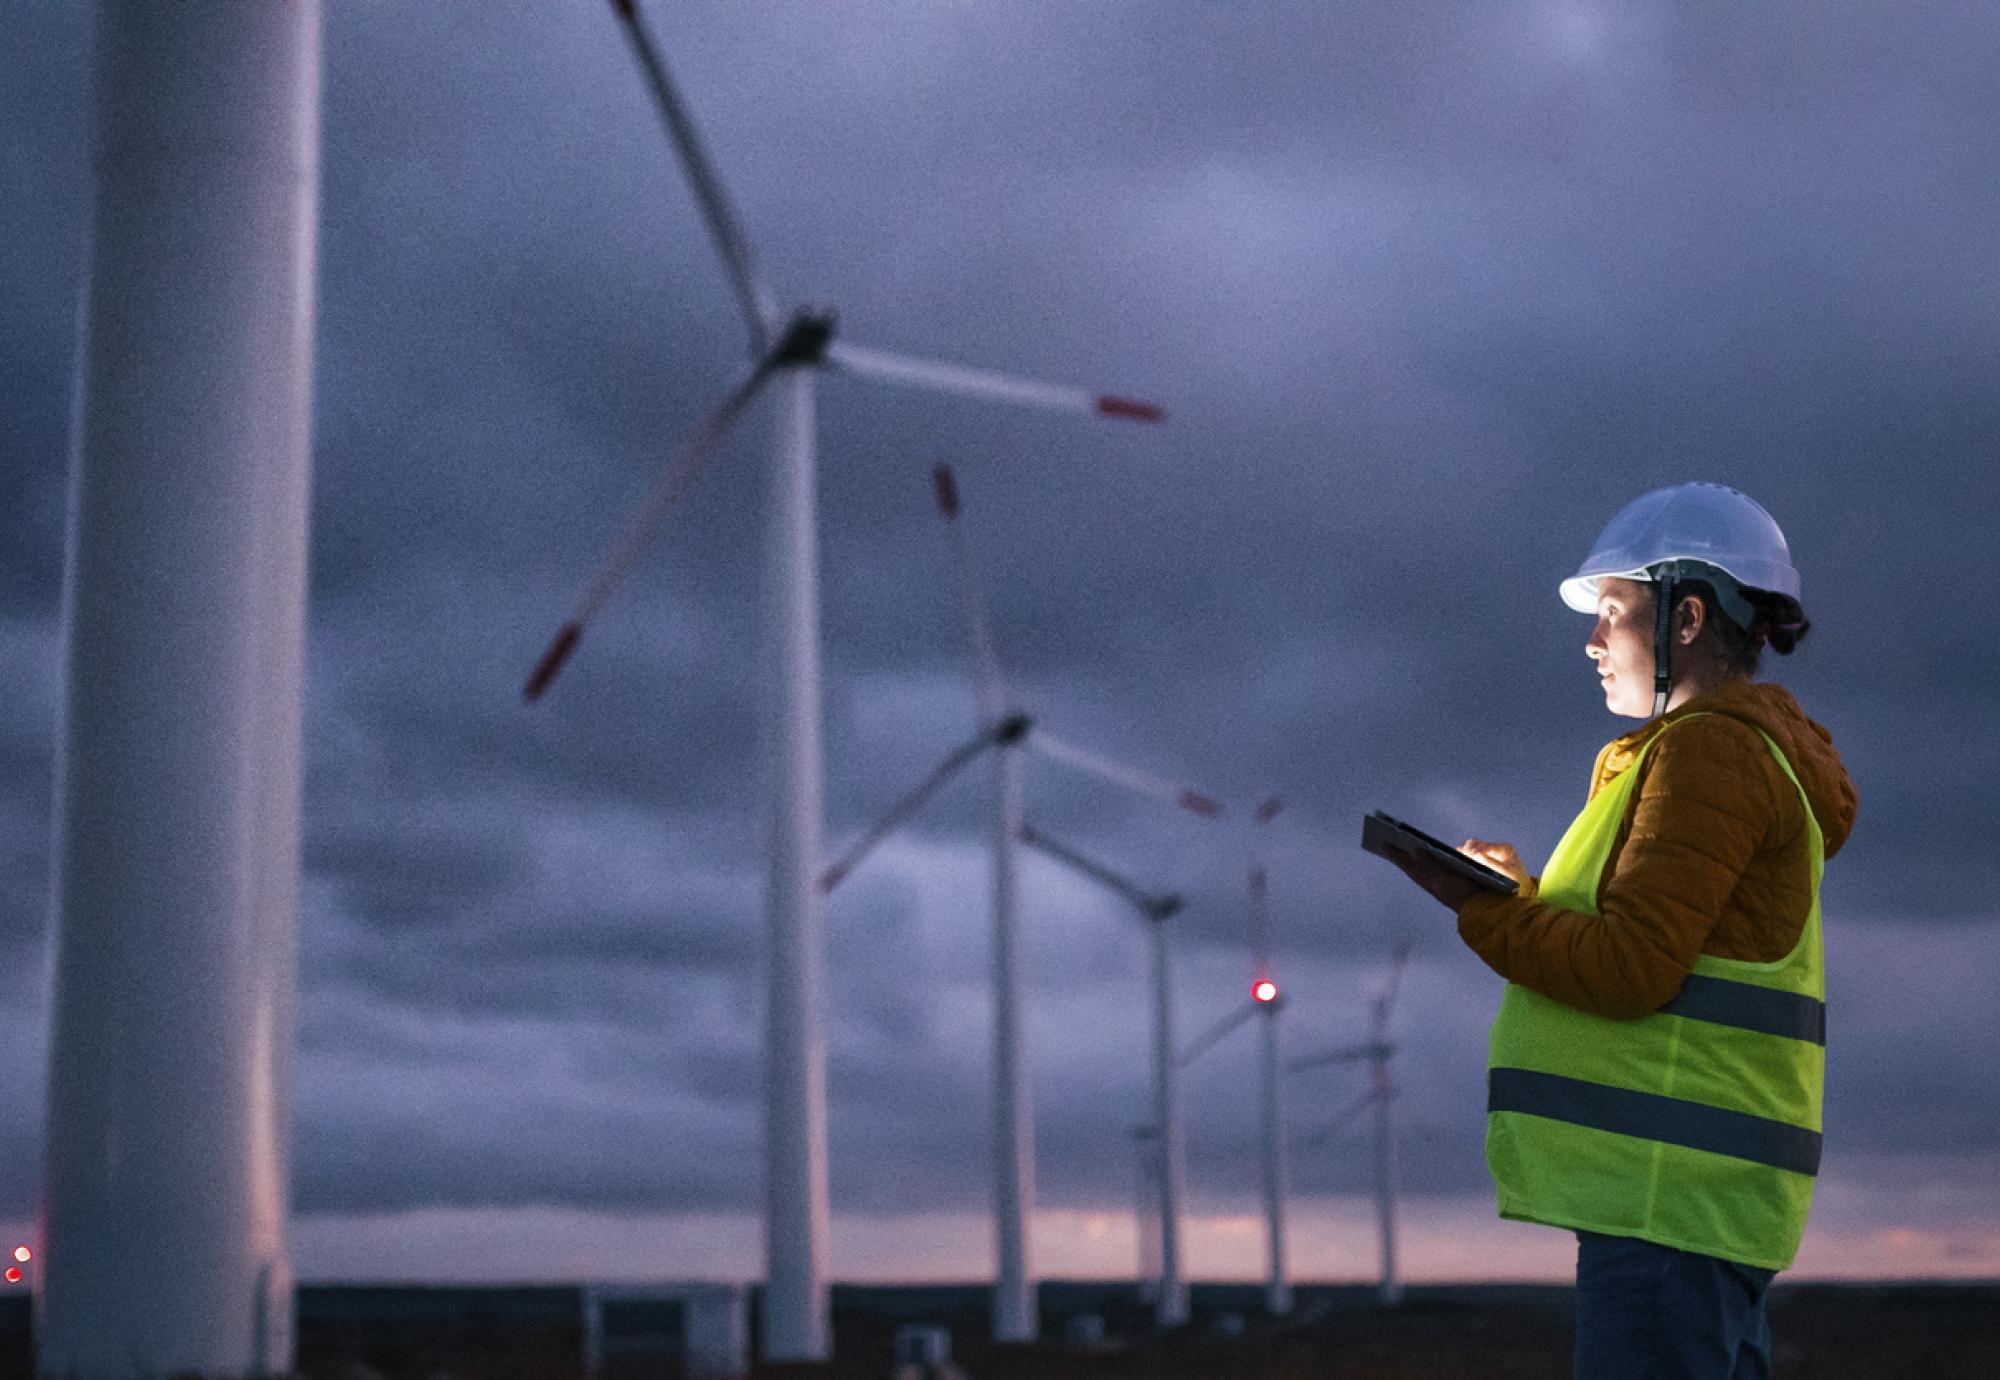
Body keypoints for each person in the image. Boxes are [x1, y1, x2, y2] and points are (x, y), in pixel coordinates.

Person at [1384, 482, 1856, 1380]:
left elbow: (1633, 967)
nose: (1594, 642)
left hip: (1669, 1204)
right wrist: (1523, 893)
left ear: (1686, 618)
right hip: (1695, 1207)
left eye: (1611, 612)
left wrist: (1482, 907)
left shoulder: (1709, 754)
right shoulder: (1734, 753)